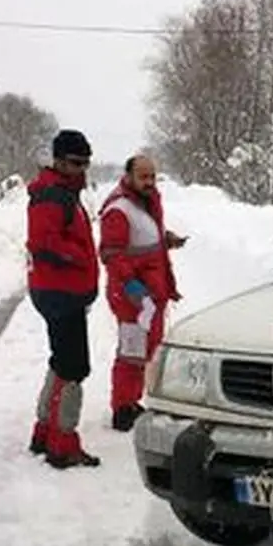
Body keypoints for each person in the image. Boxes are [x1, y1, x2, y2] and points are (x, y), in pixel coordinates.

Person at [25, 129, 102, 469]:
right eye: (74, 163)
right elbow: (43, 242)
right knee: (74, 367)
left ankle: (45, 431)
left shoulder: (64, 194)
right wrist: (80, 257)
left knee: (62, 361)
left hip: (63, 291)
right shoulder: (52, 196)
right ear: (58, 161)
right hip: (60, 293)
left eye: (86, 163)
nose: (81, 169)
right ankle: (62, 442)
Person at [98, 154, 186, 432]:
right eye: (143, 177)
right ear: (129, 176)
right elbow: (113, 254)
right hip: (132, 296)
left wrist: (165, 239)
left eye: (152, 176)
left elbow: (143, 236)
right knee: (132, 352)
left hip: (152, 293)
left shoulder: (147, 201)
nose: (149, 182)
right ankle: (122, 408)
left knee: (147, 349)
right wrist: (131, 286)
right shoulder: (118, 209)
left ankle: (133, 400)